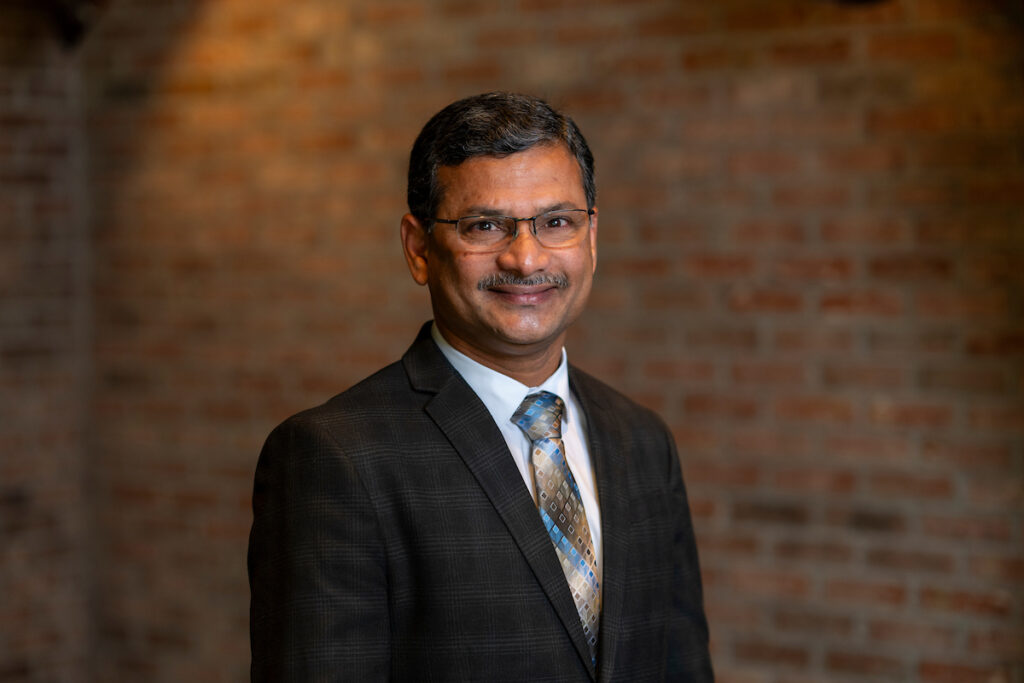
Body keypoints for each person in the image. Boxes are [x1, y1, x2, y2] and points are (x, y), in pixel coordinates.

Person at [248, 91, 713, 682]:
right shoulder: (335, 457)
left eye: (557, 222)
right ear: (419, 249)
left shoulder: (642, 441)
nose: (524, 258)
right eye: (485, 225)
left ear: (591, 238)